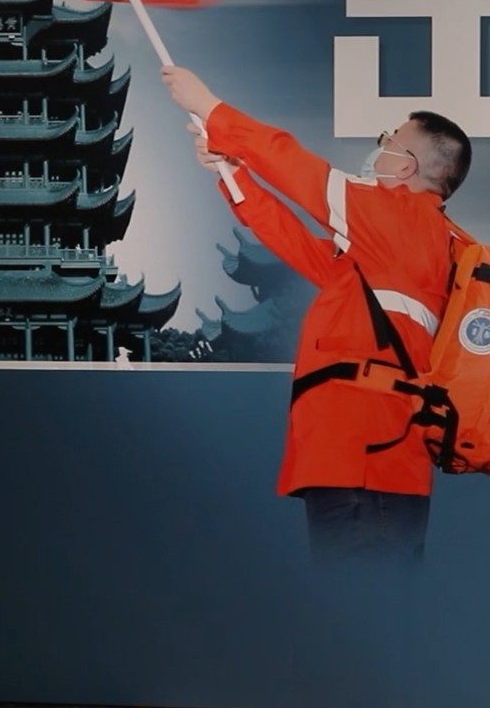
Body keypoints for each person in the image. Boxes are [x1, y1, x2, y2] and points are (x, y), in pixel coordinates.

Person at [160, 63, 469, 571]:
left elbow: (295, 167)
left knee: (357, 600)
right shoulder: (408, 246)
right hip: (374, 461)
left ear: (406, 167)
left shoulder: (395, 214)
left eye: (389, 140)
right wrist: (231, 171)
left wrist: (209, 107)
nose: (379, 148)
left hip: (363, 459)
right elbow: (297, 244)